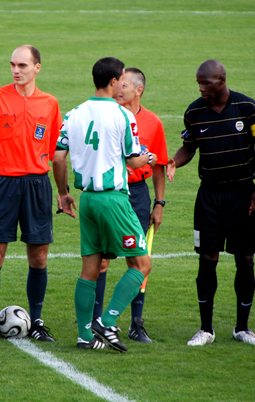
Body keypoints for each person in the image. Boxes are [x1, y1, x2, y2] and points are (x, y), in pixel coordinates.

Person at [166, 59, 255, 346]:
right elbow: (190, 147)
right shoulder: (194, 112)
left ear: (222, 79)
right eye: (198, 83)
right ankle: (206, 329)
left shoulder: (248, 108)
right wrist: (174, 161)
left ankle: (243, 328)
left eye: (206, 83)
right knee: (206, 259)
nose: (201, 87)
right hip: (210, 197)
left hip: (243, 195)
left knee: (245, 260)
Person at [53, 57, 154, 352]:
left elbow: (58, 158)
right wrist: (149, 157)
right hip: (114, 199)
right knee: (142, 264)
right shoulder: (124, 116)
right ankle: (107, 321)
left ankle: (85, 335)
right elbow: (134, 160)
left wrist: (62, 193)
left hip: (87, 202)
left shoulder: (73, 115)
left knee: (90, 270)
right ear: (112, 82)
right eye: (121, 80)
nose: (123, 85)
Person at [0, 45, 62, 343]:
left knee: (38, 258)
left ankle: (37, 321)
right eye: (13, 65)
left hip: (37, 185)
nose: (16, 70)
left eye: (23, 65)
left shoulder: (50, 103)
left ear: (37, 67)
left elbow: (54, 151)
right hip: (3, 183)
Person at [92, 68, 168, 344]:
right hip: (112, 192)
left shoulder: (153, 122)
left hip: (137, 194)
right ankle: (97, 322)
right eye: (118, 84)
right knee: (101, 261)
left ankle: (137, 323)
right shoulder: (110, 116)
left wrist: (159, 203)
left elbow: (158, 167)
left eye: (124, 85)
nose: (118, 89)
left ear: (138, 90)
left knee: (136, 260)